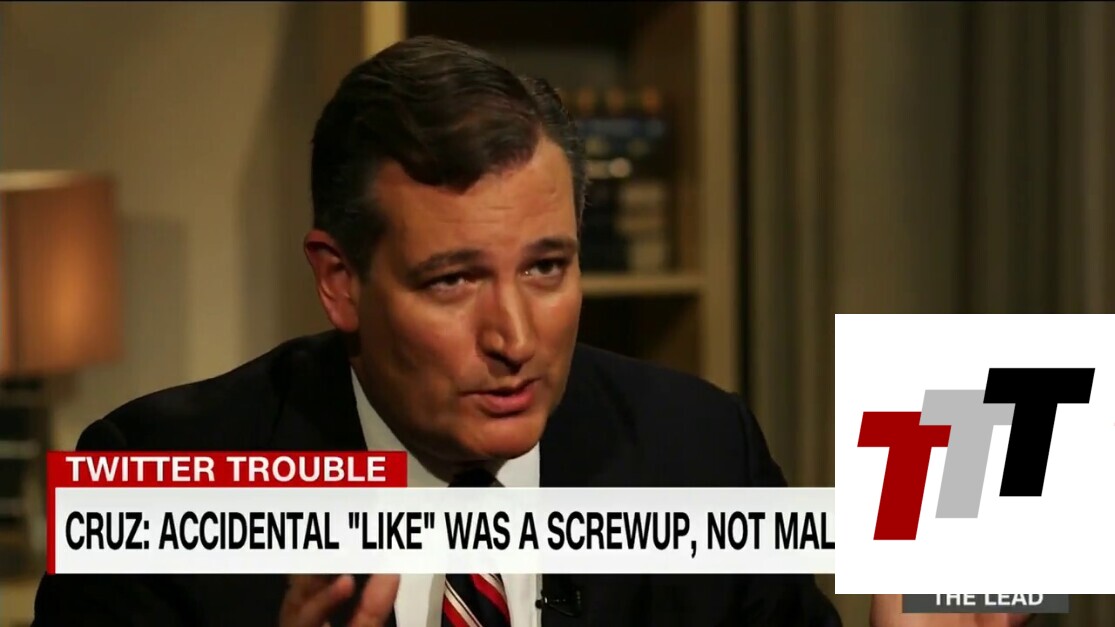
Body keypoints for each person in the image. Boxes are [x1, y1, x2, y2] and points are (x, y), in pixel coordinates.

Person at [31, 35, 1026, 627]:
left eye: (545, 268)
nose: (514, 336)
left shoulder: (698, 448)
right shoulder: (151, 483)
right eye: (453, 279)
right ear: (339, 282)